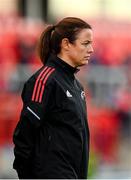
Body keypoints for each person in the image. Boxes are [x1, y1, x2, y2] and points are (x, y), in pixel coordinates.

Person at [13, 17, 94, 179]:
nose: (91, 49)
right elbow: (24, 134)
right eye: (85, 43)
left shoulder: (77, 87)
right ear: (66, 44)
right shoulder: (44, 80)